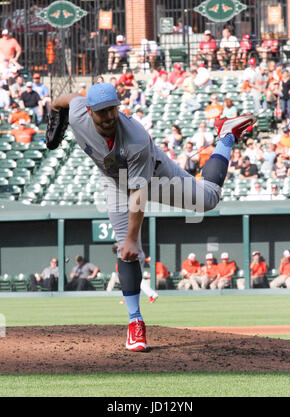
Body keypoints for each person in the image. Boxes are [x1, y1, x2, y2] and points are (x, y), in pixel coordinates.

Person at [50, 82, 256, 351]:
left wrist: (133, 239)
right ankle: (135, 322)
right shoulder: (78, 114)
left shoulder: (134, 138)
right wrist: (54, 111)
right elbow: (66, 99)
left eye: (113, 109)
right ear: (90, 111)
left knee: (208, 199)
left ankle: (227, 135)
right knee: (126, 252)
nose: (110, 116)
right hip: (114, 181)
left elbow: (139, 194)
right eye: (102, 111)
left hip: (157, 176)